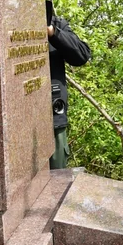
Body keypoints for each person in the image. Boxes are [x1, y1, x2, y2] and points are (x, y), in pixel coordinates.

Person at [48, 12, 91, 169]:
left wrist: (53, 33)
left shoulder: (54, 22)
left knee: (55, 183)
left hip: (53, 122)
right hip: (14, 125)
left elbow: (82, 54)